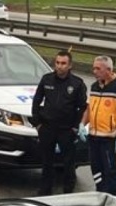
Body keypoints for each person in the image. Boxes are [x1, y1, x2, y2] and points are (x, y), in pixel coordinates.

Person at [31, 50, 87, 195]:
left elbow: (83, 107)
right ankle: (45, 190)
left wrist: (76, 127)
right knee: (46, 161)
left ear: (70, 66)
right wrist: (37, 123)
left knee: (68, 163)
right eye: (57, 63)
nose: (60, 66)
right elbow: (37, 100)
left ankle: (68, 190)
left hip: (67, 130)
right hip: (47, 127)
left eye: (63, 63)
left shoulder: (77, 83)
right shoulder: (46, 79)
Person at [81, 55, 116, 195]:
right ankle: (100, 192)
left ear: (109, 70)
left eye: (98, 68)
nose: (94, 71)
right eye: (94, 68)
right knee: (96, 169)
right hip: (94, 137)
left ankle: (113, 197)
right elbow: (89, 109)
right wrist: (82, 124)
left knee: (111, 170)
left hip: (110, 139)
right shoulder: (94, 86)